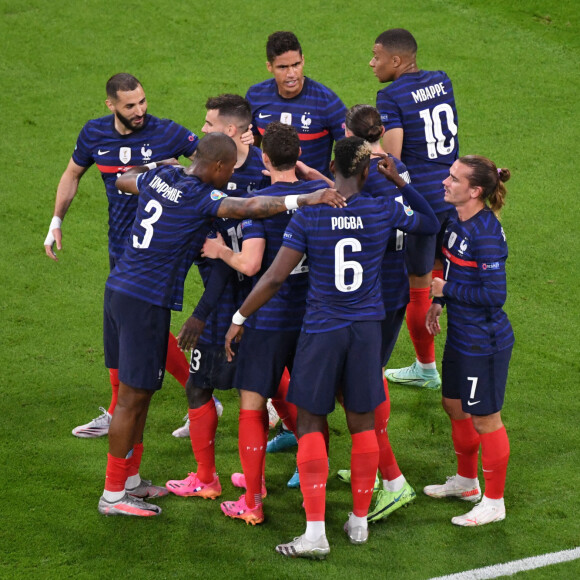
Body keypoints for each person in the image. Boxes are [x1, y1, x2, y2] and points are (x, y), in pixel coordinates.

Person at [98, 132, 346, 517]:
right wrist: (306, 197)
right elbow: (251, 206)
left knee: (141, 396)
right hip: (145, 302)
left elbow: (121, 178)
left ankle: (129, 480)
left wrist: (160, 165)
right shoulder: (202, 197)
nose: (230, 175)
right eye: (228, 169)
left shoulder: (160, 178)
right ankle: (113, 493)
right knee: (132, 398)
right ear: (216, 167)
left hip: (119, 290)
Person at [223, 137, 439, 557]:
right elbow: (429, 221)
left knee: (309, 424)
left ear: (331, 166)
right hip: (365, 332)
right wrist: (399, 181)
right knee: (362, 425)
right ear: (364, 172)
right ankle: (359, 522)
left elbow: (272, 278)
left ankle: (316, 533)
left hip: (321, 331)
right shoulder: (382, 208)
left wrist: (239, 318)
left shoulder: (311, 215)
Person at [44, 73, 198, 437]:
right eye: (130, 105)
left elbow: (209, 164)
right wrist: (55, 220)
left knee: (142, 328)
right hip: (120, 247)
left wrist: (176, 170)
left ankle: (200, 398)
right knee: (120, 329)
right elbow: (72, 173)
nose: (140, 110)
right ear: (111, 105)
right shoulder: (95, 133)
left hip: (155, 254)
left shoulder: (166, 133)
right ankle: (129, 407)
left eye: (143, 101)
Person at [203, 122, 330, 524]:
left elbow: (253, 264)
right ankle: (315, 499)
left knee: (252, 406)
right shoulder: (322, 200)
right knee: (311, 412)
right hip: (312, 318)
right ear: (298, 158)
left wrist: (221, 251)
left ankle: (253, 502)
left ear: (264, 158)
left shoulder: (259, 201)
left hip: (267, 319)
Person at [335, 105, 417, 521]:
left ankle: (393, 481)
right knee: (363, 384)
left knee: (361, 390)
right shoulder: (395, 167)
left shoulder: (365, 178)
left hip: (372, 297)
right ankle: (372, 463)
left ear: (348, 134)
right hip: (393, 290)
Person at [170, 93, 268, 439]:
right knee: (218, 381)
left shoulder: (263, 168)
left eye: (209, 124)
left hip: (251, 288)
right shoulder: (209, 174)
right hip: (225, 282)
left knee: (255, 383)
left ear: (230, 129)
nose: (202, 129)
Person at [423, 156, 513, 526]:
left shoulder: (486, 235)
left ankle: (494, 501)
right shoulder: (454, 221)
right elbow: (447, 265)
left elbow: (495, 296)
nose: (446, 181)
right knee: (453, 405)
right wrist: (439, 302)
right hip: (461, 336)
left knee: (485, 419)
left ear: (474, 191)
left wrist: (448, 290)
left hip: (484, 342)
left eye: (454, 178)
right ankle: (467, 481)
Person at [370, 28, 460, 389]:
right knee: (443, 273)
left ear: (396, 60)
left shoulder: (389, 95)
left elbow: (394, 157)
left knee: (418, 284)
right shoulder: (441, 81)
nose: (372, 63)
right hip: (452, 192)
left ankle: (426, 369)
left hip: (420, 201)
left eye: (377, 56)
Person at [246, 31, 347, 177]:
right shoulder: (256, 96)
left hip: (313, 193)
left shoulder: (326, 101)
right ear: (270, 66)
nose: (291, 73)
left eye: (296, 64)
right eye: (282, 67)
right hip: (270, 190)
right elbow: (249, 149)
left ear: (303, 60)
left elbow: (352, 147)